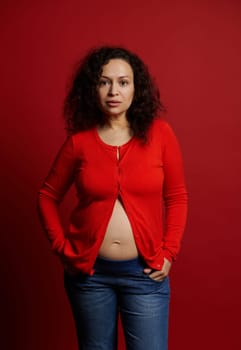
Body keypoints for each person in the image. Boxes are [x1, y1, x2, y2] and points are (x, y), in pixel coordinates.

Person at [37, 46, 188, 350]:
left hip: (145, 273)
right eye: (104, 82)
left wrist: (169, 251)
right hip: (89, 276)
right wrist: (62, 249)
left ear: (137, 87)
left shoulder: (160, 134)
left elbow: (176, 196)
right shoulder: (79, 142)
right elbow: (46, 196)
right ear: (92, 88)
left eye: (123, 82)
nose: (113, 91)